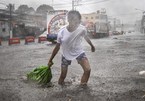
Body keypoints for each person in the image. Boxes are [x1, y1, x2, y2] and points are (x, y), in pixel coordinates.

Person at [48, 10, 95, 86]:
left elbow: (86, 37)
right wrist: (50, 60)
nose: (77, 24)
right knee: (63, 76)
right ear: (69, 20)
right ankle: (61, 89)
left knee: (87, 70)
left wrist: (92, 46)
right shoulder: (62, 32)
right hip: (65, 54)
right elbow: (57, 47)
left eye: (78, 22)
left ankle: (82, 88)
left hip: (78, 52)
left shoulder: (82, 29)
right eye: (75, 22)